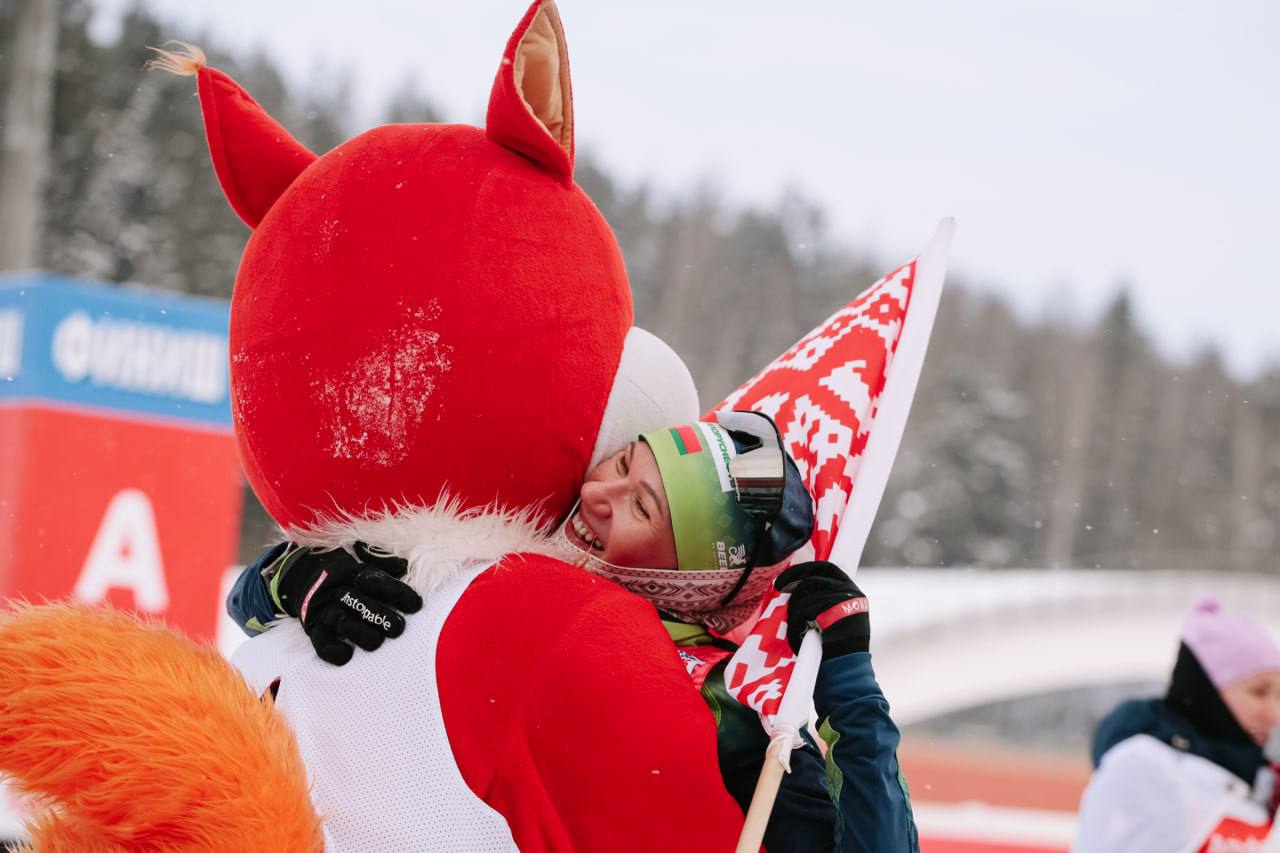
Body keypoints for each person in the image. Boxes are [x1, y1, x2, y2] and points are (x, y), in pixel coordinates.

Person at [229, 412, 918, 852]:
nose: (595, 495)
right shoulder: (491, 541)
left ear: (692, 574)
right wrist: (294, 578)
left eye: (640, 507)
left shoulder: (724, 720)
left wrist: (851, 693)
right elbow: (255, 619)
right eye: (621, 464)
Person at [1074, 597, 1280, 852]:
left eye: (1279, 697)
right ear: (1206, 690)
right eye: (1259, 692)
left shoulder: (1260, 785)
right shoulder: (1146, 768)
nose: (1273, 715)